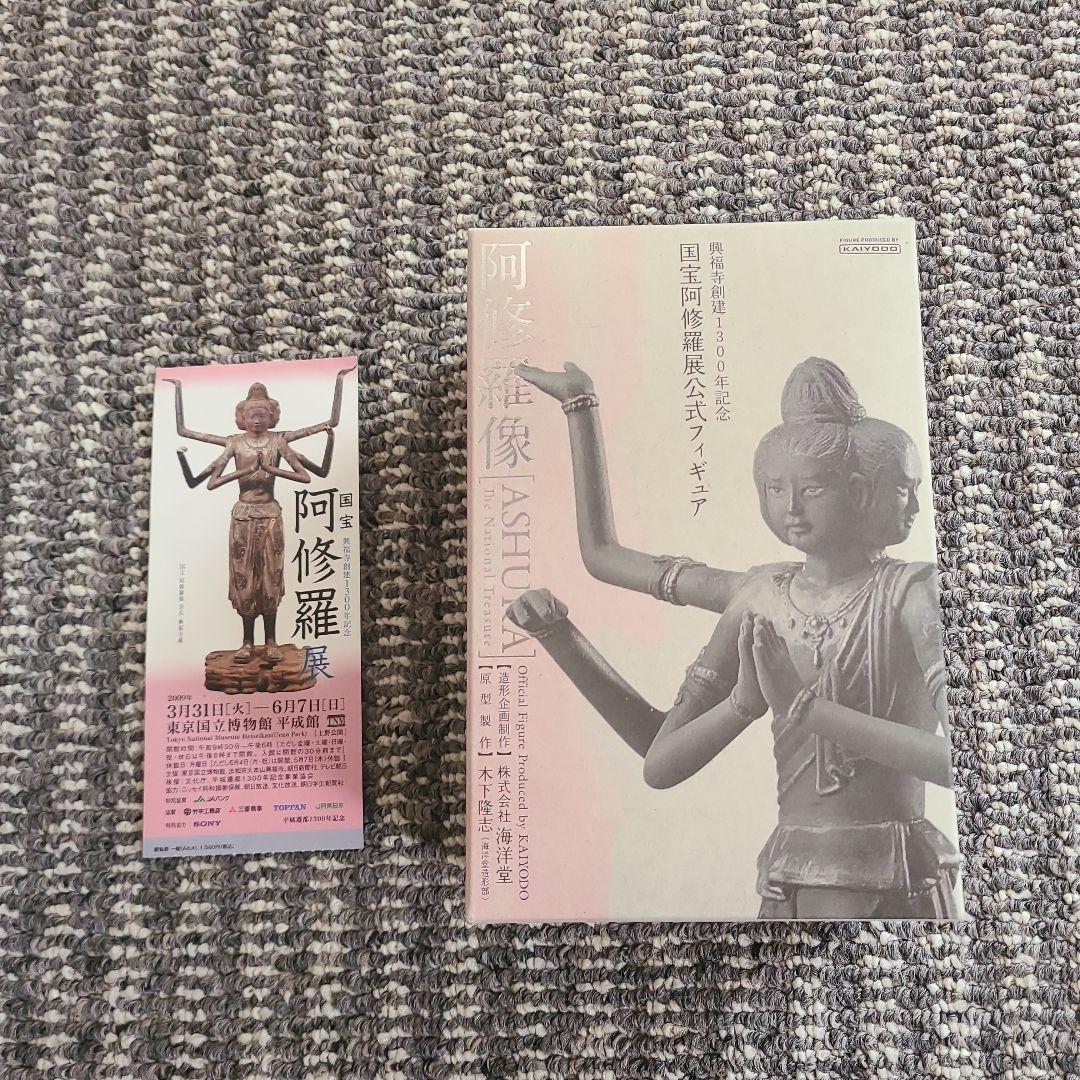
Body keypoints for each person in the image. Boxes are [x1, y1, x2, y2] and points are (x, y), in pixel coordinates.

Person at [506, 358, 959, 918]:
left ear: (860, 492)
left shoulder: (912, 594)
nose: (791, 509)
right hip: (786, 886)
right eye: (774, 489)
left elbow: (962, 763)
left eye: (812, 489)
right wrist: (559, 637)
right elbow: (658, 754)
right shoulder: (759, 594)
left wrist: (809, 712)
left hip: (893, 887)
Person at [164, 365, 353, 664]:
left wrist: (340, 380)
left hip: (270, 515)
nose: (257, 419)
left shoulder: (279, 441)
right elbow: (192, 447)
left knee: (271, 577)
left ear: (272, 417)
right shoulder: (234, 443)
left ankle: (271, 641)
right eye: (252, 414)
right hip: (242, 517)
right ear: (242, 417)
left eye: (262, 414)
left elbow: (319, 449)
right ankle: (247, 641)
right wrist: (248, 470)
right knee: (244, 577)